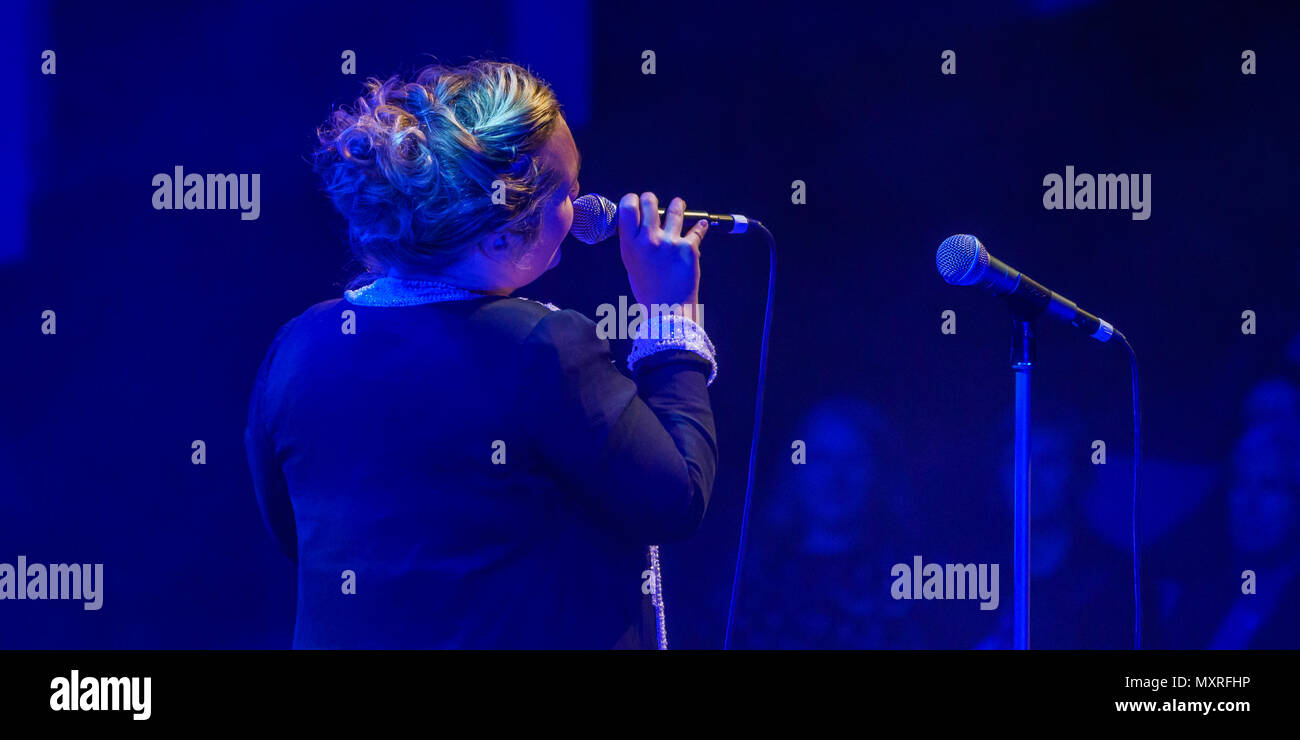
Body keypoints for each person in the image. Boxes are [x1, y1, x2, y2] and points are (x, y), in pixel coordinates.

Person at [244, 60, 719, 648]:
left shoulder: (297, 346)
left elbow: (296, 536)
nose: (587, 207)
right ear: (501, 233)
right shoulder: (538, 346)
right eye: (569, 193)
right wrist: (671, 312)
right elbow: (675, 498)